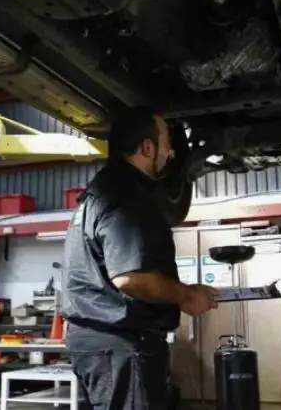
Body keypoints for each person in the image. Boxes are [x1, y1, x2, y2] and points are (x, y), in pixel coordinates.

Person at [61, 107, 219, 410]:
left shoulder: (102, 188)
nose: (170, 153)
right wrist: (186, 294)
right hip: (121, 345)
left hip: (102, 343)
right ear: (147, 148)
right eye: (166, 144)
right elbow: (130, 277)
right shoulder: (127, 195)